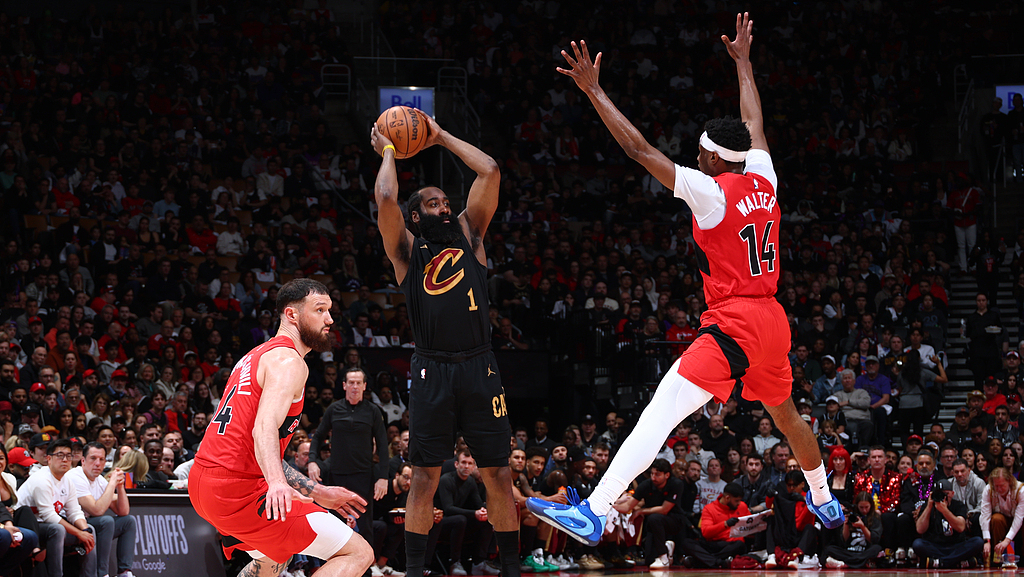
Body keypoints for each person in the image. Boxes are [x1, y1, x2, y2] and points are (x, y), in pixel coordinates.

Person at [527, 15, 844, 544]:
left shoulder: (711, 190)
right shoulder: (763, 176)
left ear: (714, 158)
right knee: (788, 417)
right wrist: (744, 64)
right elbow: (754, 122)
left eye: (700, 153)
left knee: (661, 412)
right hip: (773, 319)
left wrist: (594, 91)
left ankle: (595, 510)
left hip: (735, 321)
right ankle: (823, 495)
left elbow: (639, 151)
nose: (695, 158)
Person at [371, 100, 520, 577]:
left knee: (498, 473)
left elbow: (490, 170)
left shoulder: (470, 234)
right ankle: (415, 572)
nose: (444, 207)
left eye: (445, 201)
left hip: (480, 363)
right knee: (424, 478)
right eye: (433, 203)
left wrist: (439, 136)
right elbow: (386, 199)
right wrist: (389, 151)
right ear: (417, 217)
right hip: (431, 367)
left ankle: (512, 570)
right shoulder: (406, 250)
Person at [188, 279, 373, 577]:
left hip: (204, 484)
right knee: (359, 552)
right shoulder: (289, 362)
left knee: (274, 558)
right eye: (320, 310)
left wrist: (315, 491)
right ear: (291, 314)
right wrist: (276, 483)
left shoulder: (254, 356)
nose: (329, 319)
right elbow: (263, 427)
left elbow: (255, 442)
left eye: (330, 310)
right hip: (237, 490)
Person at [308, 367, 389, 548]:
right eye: (351, 383)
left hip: (363, 476)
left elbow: (383, 445)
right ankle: (336, 562)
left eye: (358, 383)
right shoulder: (334, 409)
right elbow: (318, 436)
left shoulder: (373, 411)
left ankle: (366, 563)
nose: (355, 386)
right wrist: (312, 461)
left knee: (365, 525)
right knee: (336, 524)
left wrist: (383, 477)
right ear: (344, 385)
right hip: (337, 475)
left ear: (364, 386)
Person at [15, 438, 98, 577]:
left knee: (90, 530)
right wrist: (78, 533)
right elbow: (49, 515)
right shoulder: (41, 479)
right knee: (57, 529)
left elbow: (74, 511)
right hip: (27, 526)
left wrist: (84, 530)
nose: (65, 460)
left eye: (68, 456)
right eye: (60, 455)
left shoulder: (67, 481)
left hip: (46, 525)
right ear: (49, 459)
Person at [66, 441, 137, 577]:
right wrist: (112, 483)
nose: (98, 463)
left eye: (101, 459)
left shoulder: (100, 480)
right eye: (93, 458)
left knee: (128, 521)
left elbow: (123, 512)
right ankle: (102, 573)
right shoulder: (75, 476)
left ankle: (124, 572)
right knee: (106, 521)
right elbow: (96, 510)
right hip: (73, 525)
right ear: (83, 461)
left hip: (91, 524)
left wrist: (120, 486)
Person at [611, 458, 684, 569]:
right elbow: (627, 506)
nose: (653, 477)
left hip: (674, 521)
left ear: (667, 475)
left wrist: (641, 511)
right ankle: (666, 548)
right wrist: (611, 506)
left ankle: (663, 557)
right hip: (653, 524)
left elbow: (664, 509)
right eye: (652, 474)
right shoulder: (646, 485)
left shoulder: (676, 484)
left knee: (654, 518)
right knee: (649, 561)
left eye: (657, 475)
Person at [912, 478, 983, 568]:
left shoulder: (958, 505)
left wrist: (944, 510)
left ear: (952, 494)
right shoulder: (927, 506)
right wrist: (929, 507)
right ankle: (956, 562)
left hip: (956, 546)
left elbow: (960, 527)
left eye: (946, 494)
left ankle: (941, 562)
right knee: (918, 544)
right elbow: (920, 529)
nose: (943, 497)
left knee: (978, 542)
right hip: (935, 546)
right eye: (940, 494)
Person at [979, 467, 1024, 567]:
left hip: (1019, 522)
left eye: (1002, 485)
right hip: (1002, 521)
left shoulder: (1021, 490)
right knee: (996, 519)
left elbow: (1019, 518)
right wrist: (987, 541)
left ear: (1009, 481)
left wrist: (1006, 541)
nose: (999, 489)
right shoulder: (988, 489)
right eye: (996, 486)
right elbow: (985, 516)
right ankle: (998, 558)